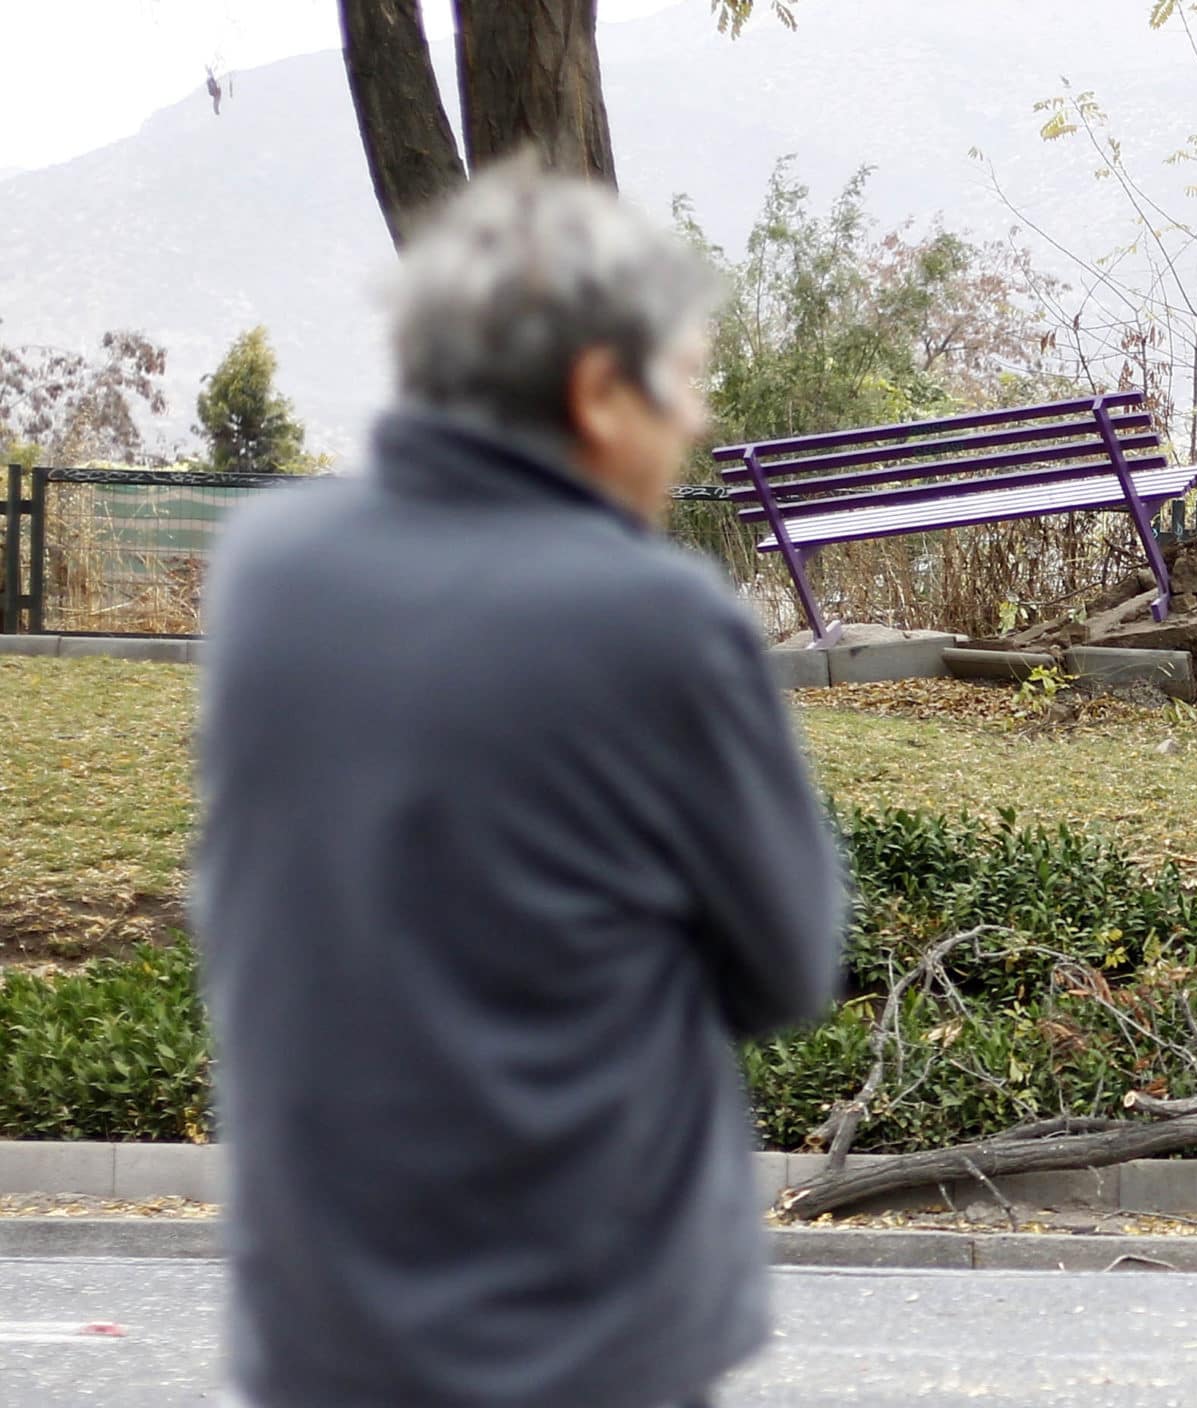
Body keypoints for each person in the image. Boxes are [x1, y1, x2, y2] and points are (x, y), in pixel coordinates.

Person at [192, 165, 847, 1408]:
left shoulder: (269, 574)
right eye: (689, 381)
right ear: (600, 388)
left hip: (322, 1324)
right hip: (588, 1323)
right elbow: (788, 966)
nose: (697, 423)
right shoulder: (659, 618)